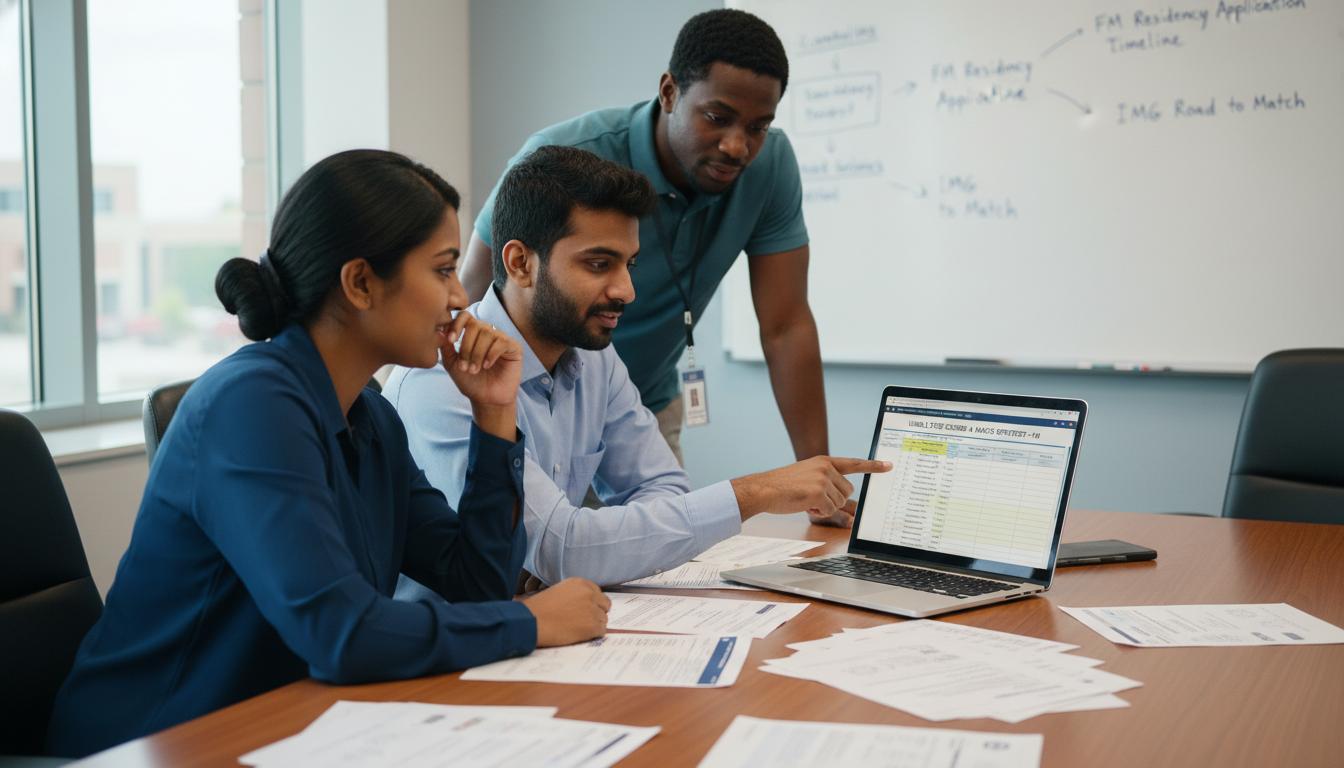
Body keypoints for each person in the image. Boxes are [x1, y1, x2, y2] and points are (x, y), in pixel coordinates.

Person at [44, 150, 609, 759]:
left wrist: (495, 416)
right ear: (360, 282)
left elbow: (479, 582)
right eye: (444, 270)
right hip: (156, 743)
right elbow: (341, 631)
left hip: (290, 727)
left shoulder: (371, 417)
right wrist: (533, 622)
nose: (459, 299)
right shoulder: (250, 406)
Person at [384, 145, 889, 589]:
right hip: (441, 667)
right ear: (520, 263)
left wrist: (585, 555)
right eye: (599, 264)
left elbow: (663, 488)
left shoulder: (594, 357)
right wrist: (754, 493)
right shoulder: (440, 379)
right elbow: (561, 548)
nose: (626, 290)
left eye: (630, 264)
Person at [457, 10, 845, 524]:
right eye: (717, 117)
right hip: (533, 398)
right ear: (669, 92)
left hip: (641, 404)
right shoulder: (565, 158)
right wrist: (453, 401)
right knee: (533, 559)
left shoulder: (769, 166)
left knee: (664, 565)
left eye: (758, 126)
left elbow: (786, 324)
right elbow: (471, 295)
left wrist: (817, 479)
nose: (737, 145)